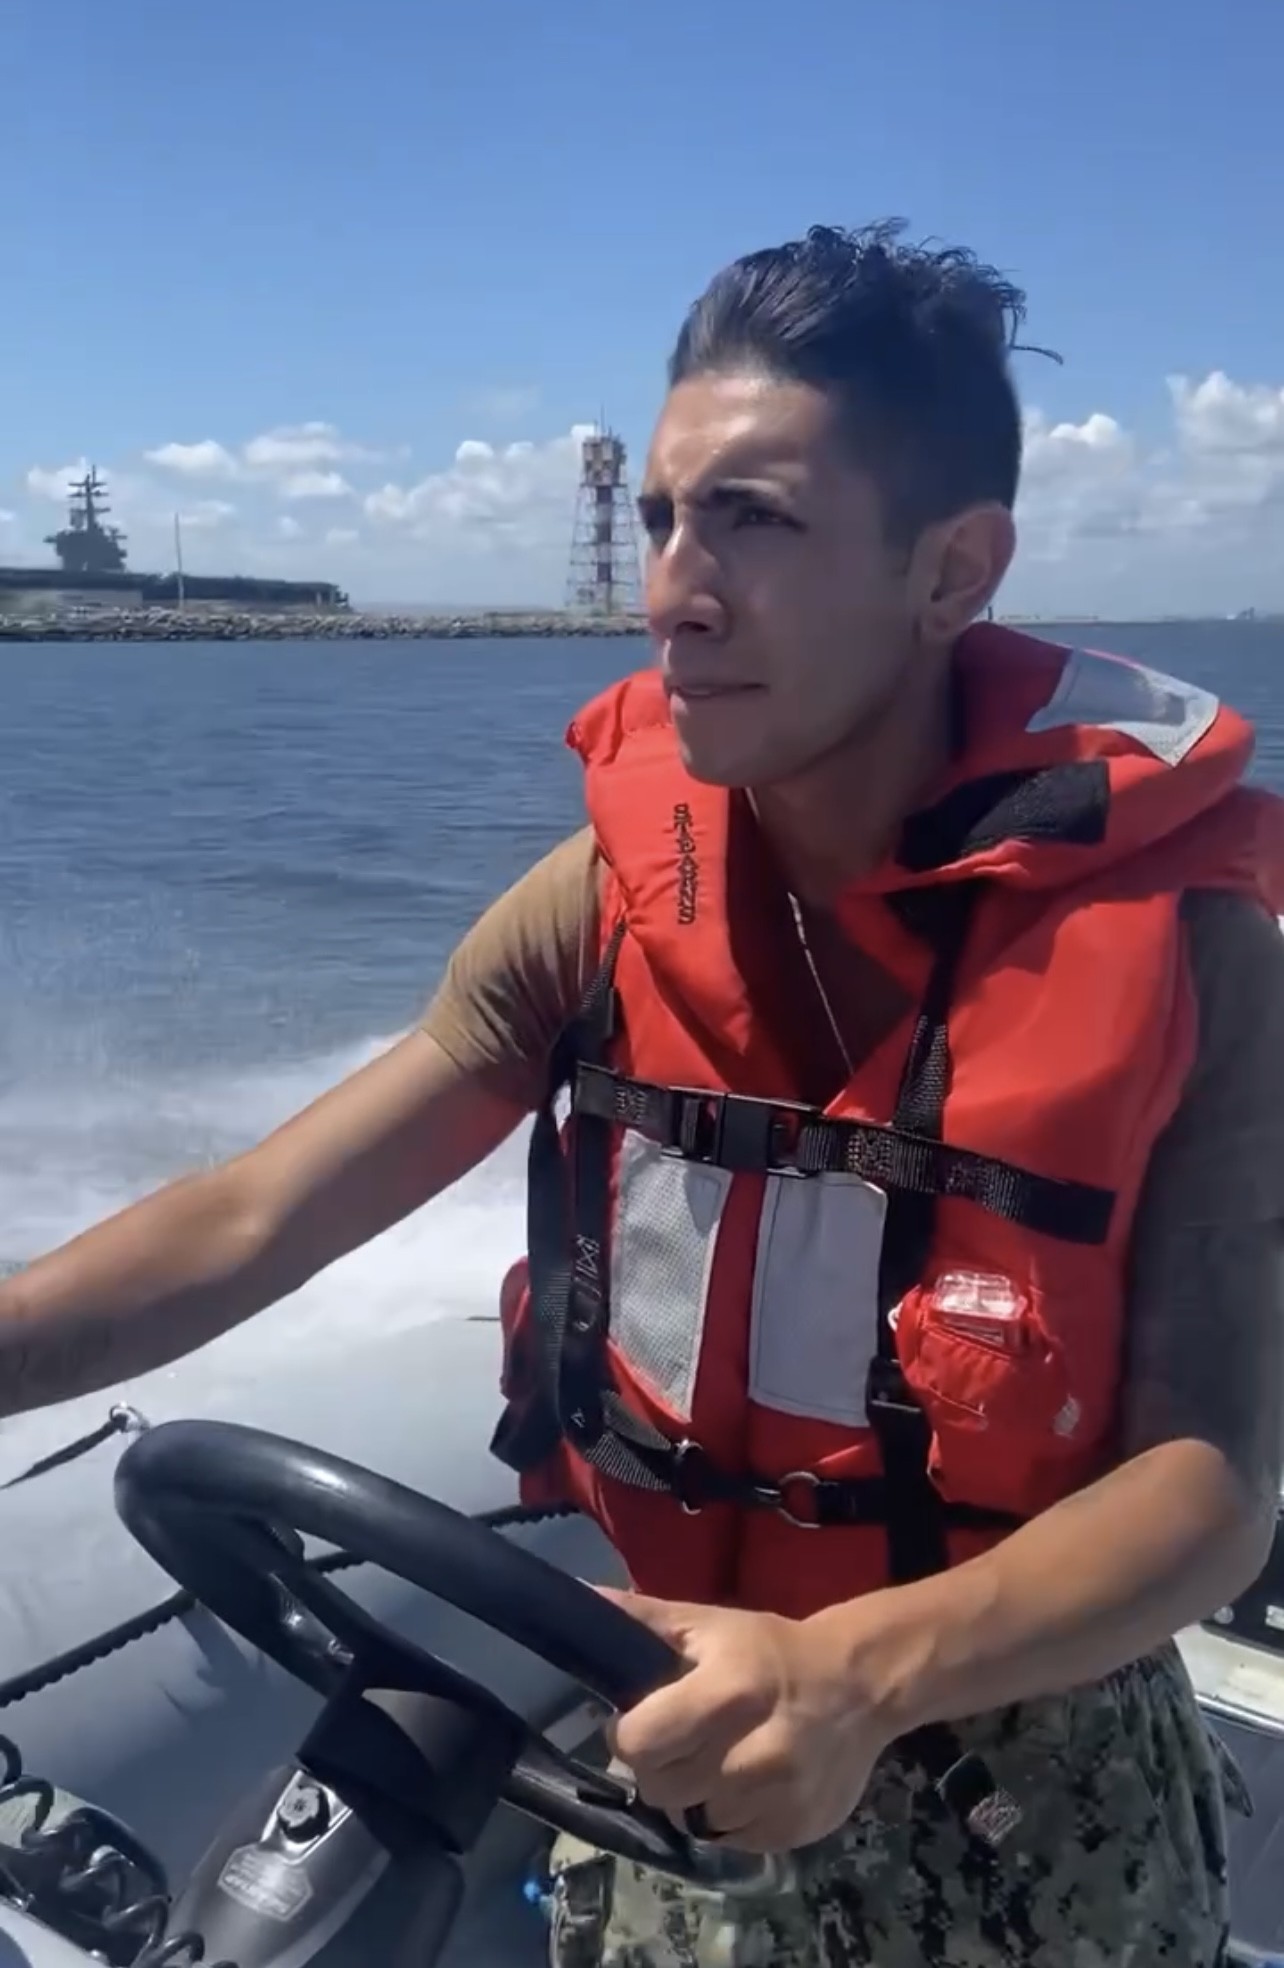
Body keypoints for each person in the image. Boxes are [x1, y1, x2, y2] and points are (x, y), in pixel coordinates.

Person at [2, 221, 1283, 1967]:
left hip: (1029, 1799)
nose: (674, 584)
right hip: (663, 1744)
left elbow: (1212, 1480)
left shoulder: (1198, 947)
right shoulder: (603, 906)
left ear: (951, 569)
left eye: (755, 520)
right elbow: (251, 1219)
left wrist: (851, 1677)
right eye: (670, 513)